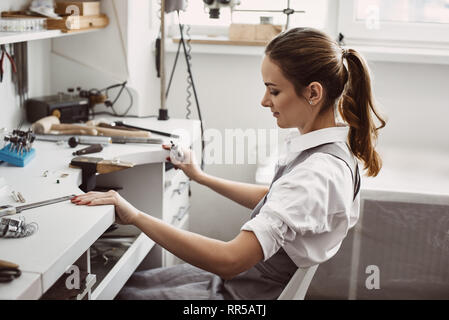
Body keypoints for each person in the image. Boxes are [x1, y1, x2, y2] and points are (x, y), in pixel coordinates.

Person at [71, 27, 386, 300]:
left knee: (120, 294)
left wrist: (136, 216)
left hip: (242, 299)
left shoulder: (316, 175)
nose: (264, 101)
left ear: (313, 93)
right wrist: (200, 176)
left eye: (274, 90)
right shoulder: (330, 153)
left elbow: (228, 260)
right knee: (129, 285)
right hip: (241, 284)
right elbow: (277, 198)